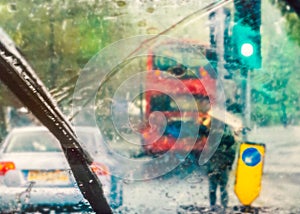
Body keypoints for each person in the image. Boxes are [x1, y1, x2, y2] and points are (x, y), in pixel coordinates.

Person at [205, 125, 236, 210]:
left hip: (213, 168)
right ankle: (224, 205)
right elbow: (232, 155)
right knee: (223, 188)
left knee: (213, 188)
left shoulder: (212, 146)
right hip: (223, 168)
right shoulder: (228, 147)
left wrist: (208, 168)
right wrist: (229, 165)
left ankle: (213, 205)